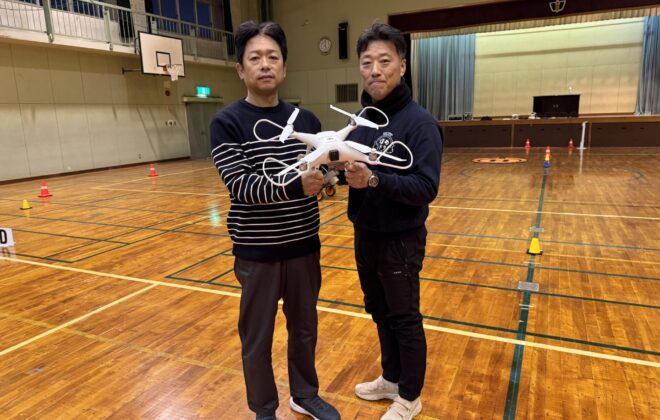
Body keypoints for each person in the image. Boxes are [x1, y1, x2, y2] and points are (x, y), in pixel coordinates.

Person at [209, 20, 340, 420]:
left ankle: (305, 394)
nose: (265, 64)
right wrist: (298, 186)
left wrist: (332, 176)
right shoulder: (227, 123)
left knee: (305, 329)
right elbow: (242, 185)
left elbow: (320, 175)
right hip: (257, 253)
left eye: (273, 57)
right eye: (255, 58)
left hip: (304, 248)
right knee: (257, 338)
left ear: (284, 66)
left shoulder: (307, 121)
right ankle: (264, 409)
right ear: (240, 69)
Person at [343, 23, 442, 420]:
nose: (374, 70)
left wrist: (374, 180)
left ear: (402, 66)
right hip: (366, 233)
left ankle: (410, 396)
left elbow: (426, 187)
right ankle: (392, 378)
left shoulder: (420, 124)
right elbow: (352, 170)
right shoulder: (362, 120)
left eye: (384, 61)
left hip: (400, 239)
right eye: (367, 62)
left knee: (404, 318)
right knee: (379, 311)